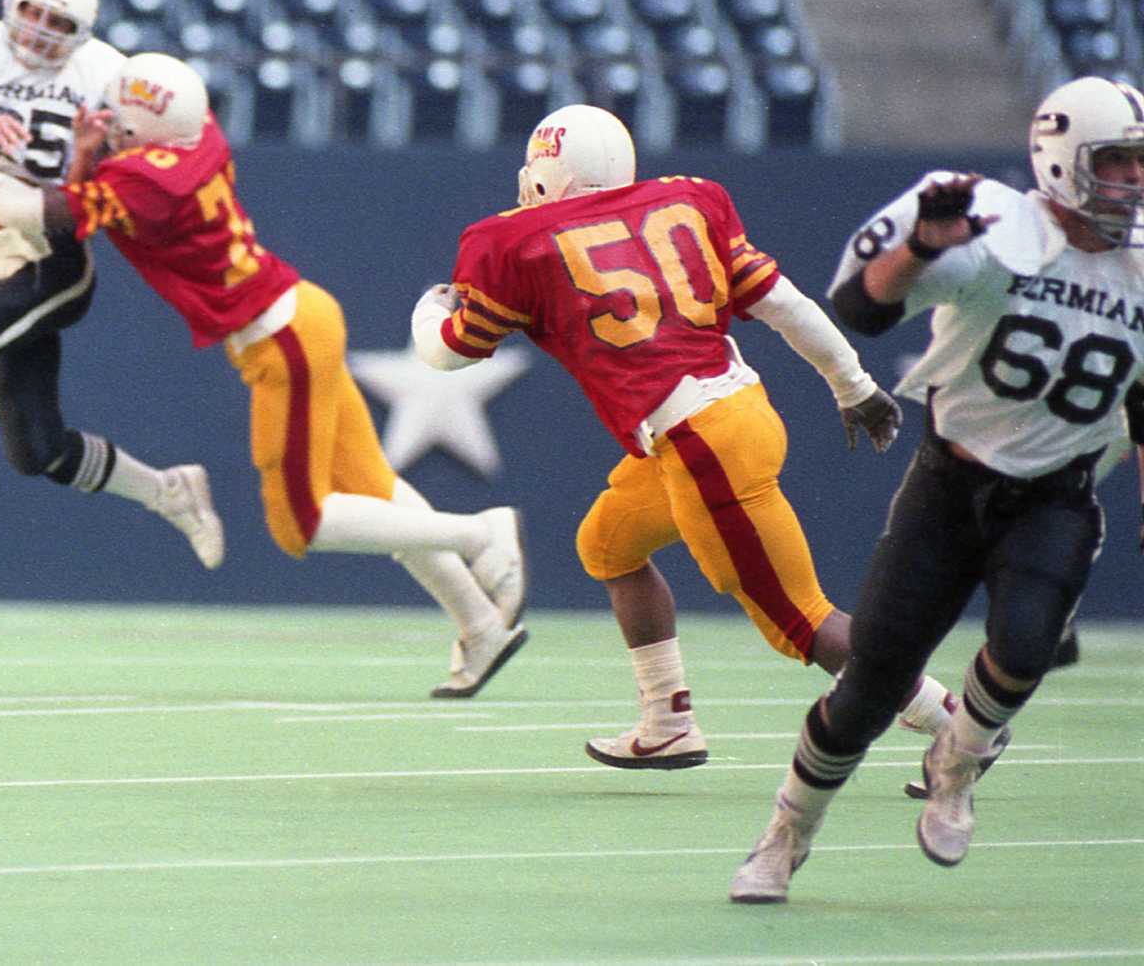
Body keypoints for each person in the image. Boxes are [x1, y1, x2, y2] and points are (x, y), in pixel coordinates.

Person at [0, 52, 528, 695]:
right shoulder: (199, 135)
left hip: (281, 341)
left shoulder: (144, 180)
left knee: (301, 524)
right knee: (374, 487)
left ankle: (480, 530)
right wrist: (92, 148)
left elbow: (44, 218)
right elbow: (100, 181)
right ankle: (479, 623)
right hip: (303, 313)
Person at [412, 104, 961, 763]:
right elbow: (784, 304)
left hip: (702, 441)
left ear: (550, 171)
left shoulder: (514, 239)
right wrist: (854, 385)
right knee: (609, 543)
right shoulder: (690, 202)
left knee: (800, 619)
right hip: (734, 415)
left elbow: (451, 350)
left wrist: (430, 306)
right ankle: (667, 717)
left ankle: (950, 723)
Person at [730, 76, 1144, 904]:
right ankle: (787, 831)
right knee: (871, 685)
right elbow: (862, 306)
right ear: (1063, 163)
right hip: (950, 484)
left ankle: (954, 763)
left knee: (1026, 645)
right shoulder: (990, 228)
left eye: (1139, 164)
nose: (1132, 181)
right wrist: (919, 247)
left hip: (1056, 492)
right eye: (1117, 163)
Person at [0, 0, 222, 566]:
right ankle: (169, 492)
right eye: (33, 13)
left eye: (59, 23)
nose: (40, 31)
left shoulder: (106, 78)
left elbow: (81, 200)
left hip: (53, 261)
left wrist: (89, 154)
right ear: (12, 7)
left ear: (83, 34)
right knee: (38, 450)